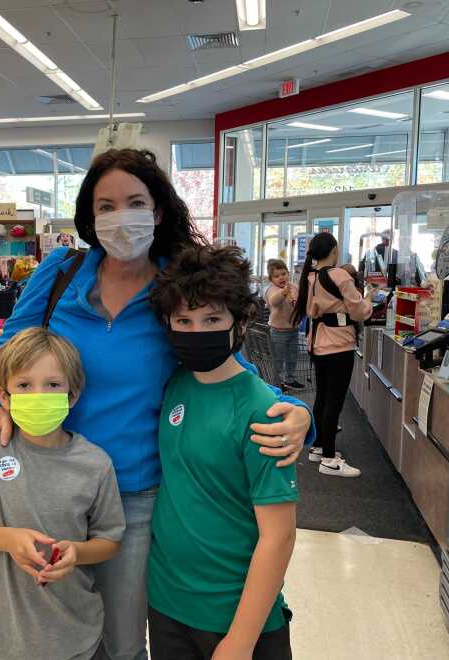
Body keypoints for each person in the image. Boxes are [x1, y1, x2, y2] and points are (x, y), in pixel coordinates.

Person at [0, 148, 314, 660]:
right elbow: (9, 349)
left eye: (133, 202)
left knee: (122, 642)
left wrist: (291, 406)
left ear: (157, 211)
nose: (118, 216)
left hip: (134, 494)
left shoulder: (174, 284)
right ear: (90, 214)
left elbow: (219, 359)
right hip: (48, 481)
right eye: (105, 205)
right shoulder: (61, 272)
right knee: (46, 627)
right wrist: (0, 405)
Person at [147, 245, 296, 660]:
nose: (196, 332)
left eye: (212, 319)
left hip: (237, 616)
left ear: (241, 321)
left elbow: (279, 535)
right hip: (167, 604)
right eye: (184, 321)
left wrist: (241, 641)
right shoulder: (174, 383)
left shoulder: (262, 411)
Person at [0, 327, 126, 660]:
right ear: (4, 397)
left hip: (75, 635)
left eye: (52, 385)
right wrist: (9, 539)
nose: (37, 395)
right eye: (24, 385)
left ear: (72, 395)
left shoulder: (95, 464)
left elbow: (110, 540)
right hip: (2, 635)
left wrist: (77, 552)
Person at [293, 233, 375, 478]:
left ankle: (318, 447)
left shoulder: (308, 277)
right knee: (334, 401)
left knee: (322, 397)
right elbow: (359, 311)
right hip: (339, 344)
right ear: (334, 250)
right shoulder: (339, 275)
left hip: (317, 343)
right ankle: (329, 458)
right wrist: (369, 299)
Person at [264, 259, 303, 391]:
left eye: (283, 274)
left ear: (288, 273)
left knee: (292, 356)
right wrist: (283, 292)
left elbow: (301, 298)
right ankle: (277, 382)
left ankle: (290, 379)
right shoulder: (272, 289)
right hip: (278, 331)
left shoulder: (293, 287)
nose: (281, 278)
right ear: (271, 279)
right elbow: (274, 301)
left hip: (293, 330)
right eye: (276, 276)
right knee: (278, 358)